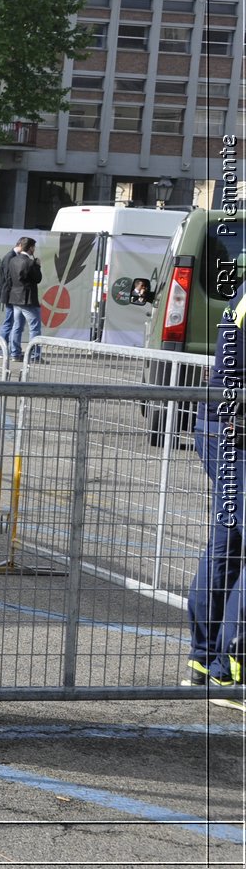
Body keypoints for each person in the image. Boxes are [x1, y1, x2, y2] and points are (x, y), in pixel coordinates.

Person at [187, 285, 246, 688]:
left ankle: (208, 660)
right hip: (233, 432)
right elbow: (233, 372)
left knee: (227, 546)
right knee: (228, 546)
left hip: (222, 429)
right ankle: (231, 664)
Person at [3, 237, 43, 364]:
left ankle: (15, 353)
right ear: (30, 247)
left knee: (17, 327)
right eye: (33, 247)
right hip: (28, 299)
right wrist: (38, 266)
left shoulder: (13, 260)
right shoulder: (30, 263)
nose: (34, 249)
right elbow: (37, 278)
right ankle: (35, 355)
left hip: (15, 298)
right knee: (35, 328)